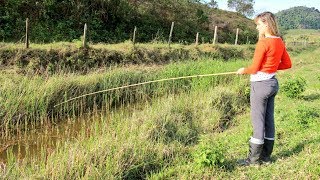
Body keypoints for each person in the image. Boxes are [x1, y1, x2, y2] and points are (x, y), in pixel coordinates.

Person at [236, 11, 292, 166]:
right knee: (269, 120)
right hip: (272, 84)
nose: (256, 28)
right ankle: (266, 158)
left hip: (260, 86)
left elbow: (254, 68)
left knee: (258, 122)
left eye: (258, 24)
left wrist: (243, 70)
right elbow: (287, 64)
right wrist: (270, 68)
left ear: (266, 24)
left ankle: (253, 160)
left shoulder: (263, 43)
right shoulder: (279, 41)